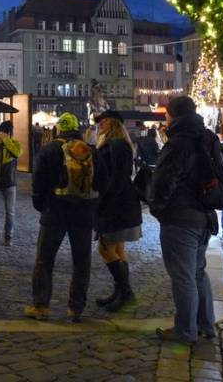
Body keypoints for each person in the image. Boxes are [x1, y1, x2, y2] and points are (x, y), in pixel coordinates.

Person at [149, 95, 217, 345]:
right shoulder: (206, 136)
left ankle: (185, 331)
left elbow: (165, 179)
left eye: (166, 115)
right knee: (198, 272)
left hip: (181, 217)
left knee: (183, 276)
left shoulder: (179, 141)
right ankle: (206, 324)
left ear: (173, 115)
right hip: (205, 215)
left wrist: (157, 207)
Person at [25, 112, 106, 323]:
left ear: (59, 129)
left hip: (55, 212)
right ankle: (76, 308)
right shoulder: (90, 151)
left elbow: (38, 182)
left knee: (44, 259)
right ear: (77, 129)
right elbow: (103, 182)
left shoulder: (49, 150)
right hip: (83, 214)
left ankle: (41, 306)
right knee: (81, 261)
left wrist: (41, 206)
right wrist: (92, 206)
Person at [94, 110, 142, 312]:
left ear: (112, 123)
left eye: (103, 121)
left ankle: (127, 292)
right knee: (118, 249)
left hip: (117, 203)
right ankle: (121, 293)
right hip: (121, 201)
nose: (100, 125)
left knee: (105, 249)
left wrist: (104, 201)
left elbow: (117, 178)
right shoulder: (116, 144)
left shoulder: (116, 145)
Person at [0, 120, 22, 246]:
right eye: (0, 132)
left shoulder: (15, 144)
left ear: (9, 133)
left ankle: (8, 235)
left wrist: (6, 140)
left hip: (10, 183)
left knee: (10, 211)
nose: (1, 134)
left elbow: (16, 153)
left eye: (4, 132)